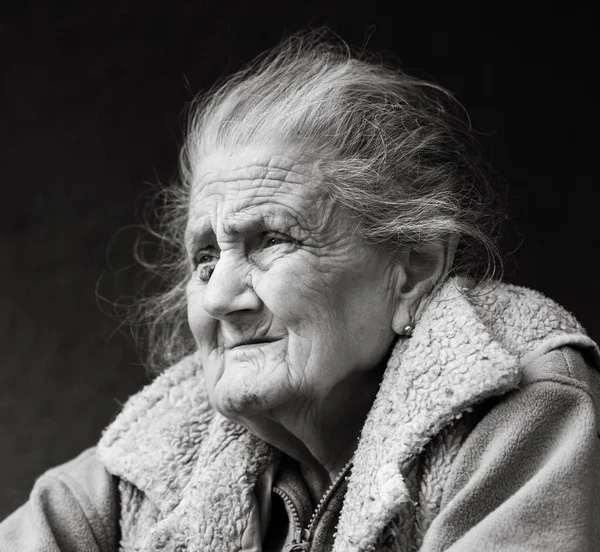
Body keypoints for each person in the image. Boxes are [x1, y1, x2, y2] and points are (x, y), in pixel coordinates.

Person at [1, 31, 599, 552]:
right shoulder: (155, 456)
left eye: (269, 240)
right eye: (205, 258)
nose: (218, 298)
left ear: (413, 271)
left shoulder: (519, 404)